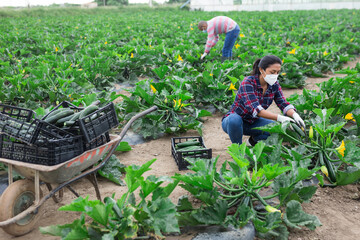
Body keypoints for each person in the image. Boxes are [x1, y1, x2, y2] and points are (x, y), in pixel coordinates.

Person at [221, 55, 305, 146]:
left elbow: (283, 103)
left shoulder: (274, 85)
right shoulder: (248, 82)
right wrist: (280, 118)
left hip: (253, 122)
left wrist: (294, 114)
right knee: (234, 119)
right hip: (233, 123)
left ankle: (251, 143)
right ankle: (238, 149)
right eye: (272, 72)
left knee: (275, 127)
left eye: (278, 72)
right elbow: (256, 110)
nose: (275, 75)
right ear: (261, 70)